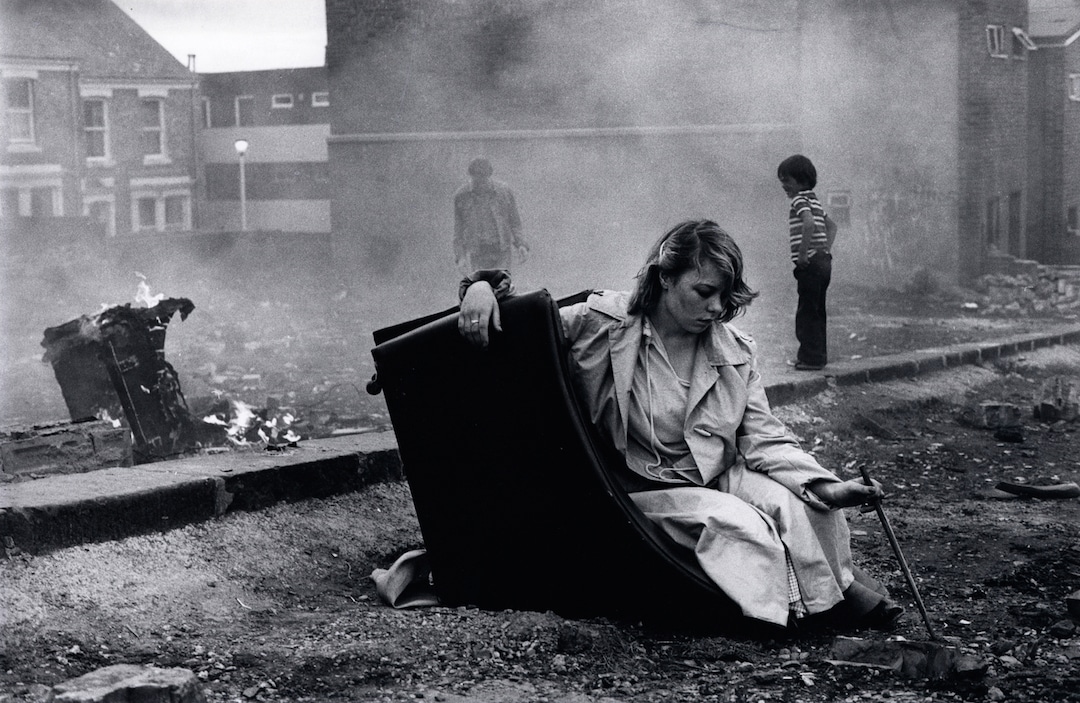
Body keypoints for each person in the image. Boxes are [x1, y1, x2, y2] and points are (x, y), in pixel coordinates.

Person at [457, 219, 902, 630]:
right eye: (704, 291)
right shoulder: (602, 324)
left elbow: (765, 441)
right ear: (664, 277)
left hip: (715, 475)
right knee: (741, 524)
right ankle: (798, 617)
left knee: (808, 507)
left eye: (725, 297)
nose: (717, 308)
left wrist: (828, 488)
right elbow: (522, 322)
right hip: (636, 488)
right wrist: (479, 288)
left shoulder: (735, 351)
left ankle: (832, 599)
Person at [778, 154, 837, 371]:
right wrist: (825, 250)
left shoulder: (799, 200)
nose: (784, 185)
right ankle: (818, 357)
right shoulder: (814, 199)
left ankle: (810, 359)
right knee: (817, 311)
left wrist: (803, 254)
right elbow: (832, 226)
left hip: (810, 265)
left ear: (801, 180)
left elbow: (809, 223)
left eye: (787, 180)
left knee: (806, 313)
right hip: (823, 263)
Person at [453, 157, 528, 273]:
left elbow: (515, 222)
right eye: (476, 179)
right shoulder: (461, 196)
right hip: (478, 254)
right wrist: (460, 258)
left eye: (483, 179)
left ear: (489, 175)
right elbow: (458, 232)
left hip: (502, 251)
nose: (480, 183)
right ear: (470, 176)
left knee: (501, 287)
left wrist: (521, 244)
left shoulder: (504, 192)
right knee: (481, 288)